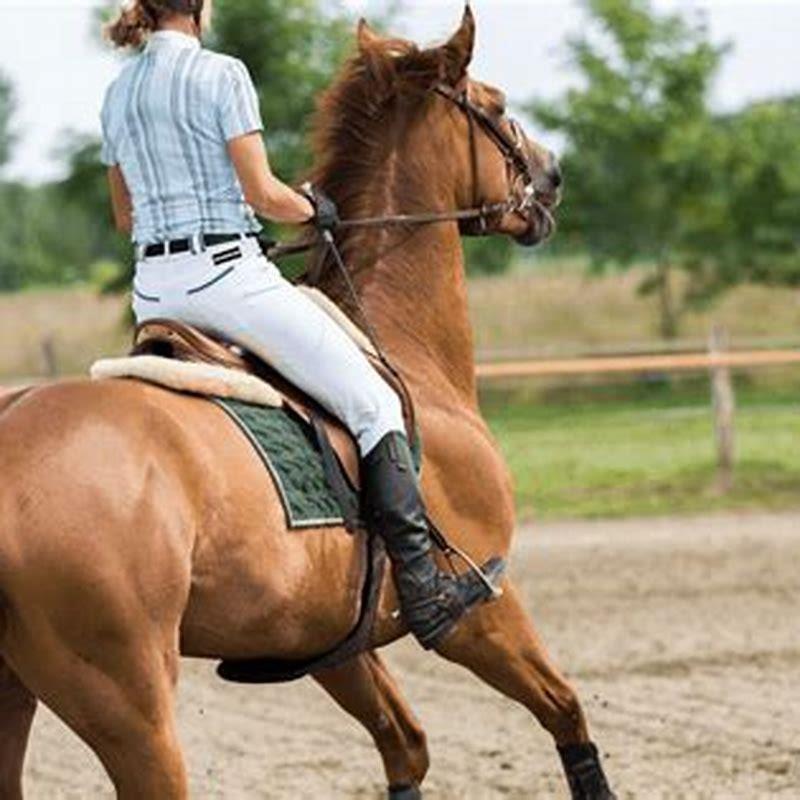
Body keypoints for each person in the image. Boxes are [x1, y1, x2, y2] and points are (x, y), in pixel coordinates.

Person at [100, 0, 501, 650]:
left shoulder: (117, 92)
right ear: (199, 7)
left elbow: (125, 215)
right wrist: (314, 206)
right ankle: (425, 589)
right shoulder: (221, 74)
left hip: (155, 294)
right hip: (229, 284)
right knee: (374, 403)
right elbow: (263, 194)